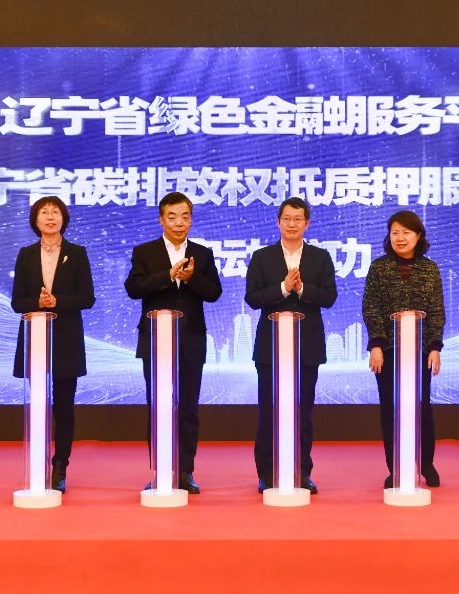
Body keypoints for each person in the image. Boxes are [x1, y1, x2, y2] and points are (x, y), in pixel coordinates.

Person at [124, 192, 222, 495]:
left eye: (185, 216)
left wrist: (191, 278)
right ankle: (160, 471)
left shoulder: (202, 254)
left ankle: (185, 471)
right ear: (161, 219)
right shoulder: (145, 251)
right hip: (155, 341)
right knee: (159, 408)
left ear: (191, 219)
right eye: (172, 216)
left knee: (188, 408)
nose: (179, 222)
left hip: (191, 340)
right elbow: (133, 288)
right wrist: (168, 275)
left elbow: (214, 292)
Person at [244, 197, 338, 495]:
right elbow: (252, 298)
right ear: (278, 222)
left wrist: (303, 288)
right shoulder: (262, 257)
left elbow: (329, 297)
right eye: (287, 218)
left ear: (307, 223)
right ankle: (267, 473)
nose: (292, 224)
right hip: (270, 348)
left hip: (307, 347)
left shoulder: (320, 257)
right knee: (269, 412)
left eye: (298, 219)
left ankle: (301, 472)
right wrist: (284, 288)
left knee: (303, 412)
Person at [10, 196, 96, 494]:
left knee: (64, 407)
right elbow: (17, 301)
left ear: (63, 218)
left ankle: (60, 466)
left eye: (55, 212)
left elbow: (87, 298)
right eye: (44, 212)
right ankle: (38, 462)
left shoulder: (77, 253)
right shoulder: (26, 254)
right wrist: (38, 302)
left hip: (66, 340)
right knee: (38, 406)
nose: (50, 217)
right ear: (35, 220)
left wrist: (57, 301)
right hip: (35, 338)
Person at [361, 209, 445, 489]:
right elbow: (371, 307)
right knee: (391, 410)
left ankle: (426, 463)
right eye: (395, 232)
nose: (400, 238)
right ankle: (395, 466)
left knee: (421, 408)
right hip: (387, 351)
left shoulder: (429, 269)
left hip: (420, 351)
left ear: (418, 236)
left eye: (406, 232)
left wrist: (435, 347)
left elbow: (436, 310)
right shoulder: (379, 268)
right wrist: (376, 344)